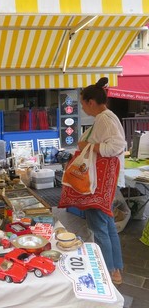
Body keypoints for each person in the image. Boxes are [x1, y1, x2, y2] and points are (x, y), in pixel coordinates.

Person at [78, 77, 125, 285]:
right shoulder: (107, 117)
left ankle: (108, 270)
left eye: (82, 103)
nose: (82, 107)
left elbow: (117, 145)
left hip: (98, 183)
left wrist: (91, 147)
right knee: (108, 226)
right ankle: (115, 270)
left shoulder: (104, 119)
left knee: (99, 226)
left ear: (90, 102)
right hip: (105, 182)